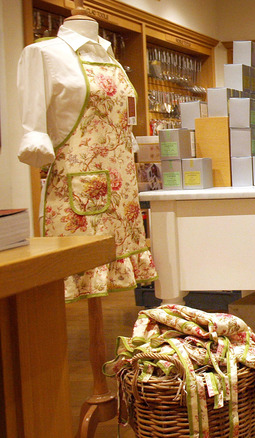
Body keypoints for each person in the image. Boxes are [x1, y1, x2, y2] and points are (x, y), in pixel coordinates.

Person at [17, 14, 157, 302]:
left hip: (122, 186)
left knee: (117, 250)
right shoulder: (43, 53)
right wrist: (34, 140)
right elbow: (33, 127)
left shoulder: (109, 56)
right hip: (76, 183)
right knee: (81, 257)